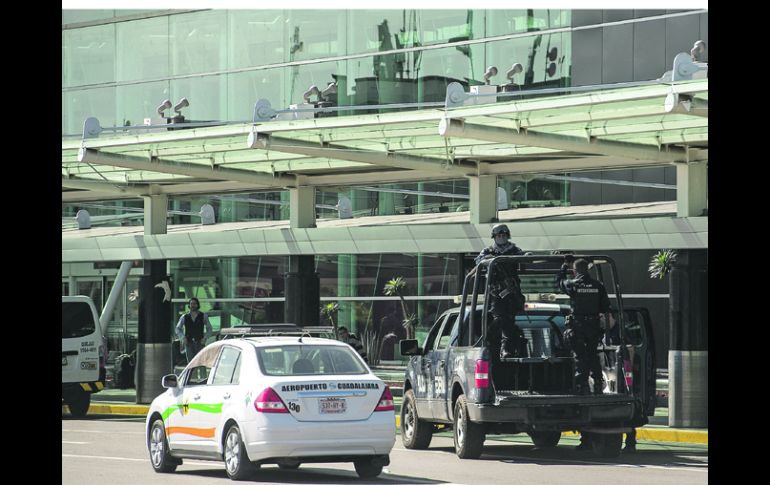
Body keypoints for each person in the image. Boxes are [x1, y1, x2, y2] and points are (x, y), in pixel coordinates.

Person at [556, 257, 610, 396]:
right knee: (592, 355)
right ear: (587, 270)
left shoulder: (573, 284)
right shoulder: (598, 285)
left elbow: (560, 282)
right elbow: (605, 306)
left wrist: (564, 266)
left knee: (580, 356)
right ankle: (598, 384)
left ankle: (583, 386)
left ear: (574, 271)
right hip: (593, 325)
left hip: (578, 325)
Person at [475, 224, 527, 360]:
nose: (502, 237)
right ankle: (487, 339)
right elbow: (478, 261)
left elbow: (524, 258)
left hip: (511, 291)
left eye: (504, 235)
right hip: (496, 293)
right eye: (499, 235)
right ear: (494, 237)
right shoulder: (488, 251)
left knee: (509, 319)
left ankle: (506, 348)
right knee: (499, 319)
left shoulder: (514, 250)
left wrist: (527, 256)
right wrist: (487, 259)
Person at [175, 298, 213, 363]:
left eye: (194, 304)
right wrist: (183, 338)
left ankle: (201, 370)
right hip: (189, 344)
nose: (193, 305)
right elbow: (177, 328)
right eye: (191, 304)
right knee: (191, 364)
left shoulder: (203, 316)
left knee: (201, 363)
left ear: (197, 305)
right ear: (189, 305)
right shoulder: (184, 316)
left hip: (200, 343)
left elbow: (209, 329)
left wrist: (205, 338)